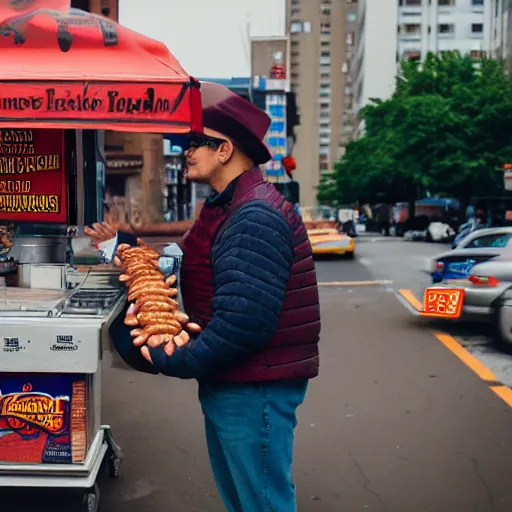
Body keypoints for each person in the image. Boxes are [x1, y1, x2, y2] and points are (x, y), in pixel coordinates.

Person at [96, 82, 321, 512]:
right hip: (237, 381)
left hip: (255, 386)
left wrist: (175, 358)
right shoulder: (228, 206)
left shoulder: (253, 215)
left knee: (262, 503)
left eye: (197, 142)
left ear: (225, 150)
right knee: (245, 501)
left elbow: (244, 324)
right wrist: (127, 244)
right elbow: (188, 255)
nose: (187, 150)